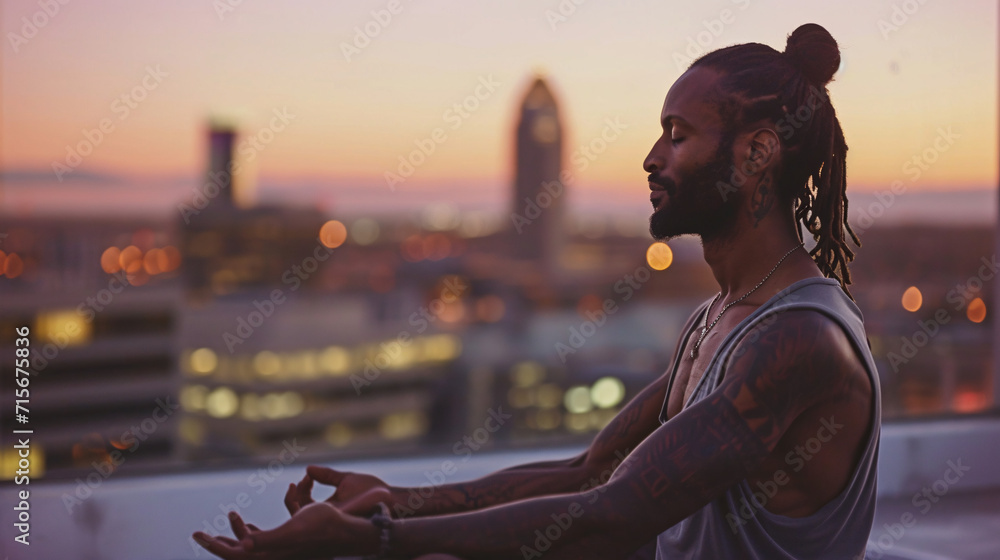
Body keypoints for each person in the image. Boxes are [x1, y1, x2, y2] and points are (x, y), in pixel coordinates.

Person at [193, 22, 881, 560]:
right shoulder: (718, 318)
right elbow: (589, 473)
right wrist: (394, 504)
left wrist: (368, 539)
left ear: (758, 153)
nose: (652, 156)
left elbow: (612, 516)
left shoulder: (799, 340)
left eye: (678, 135)